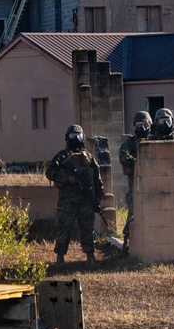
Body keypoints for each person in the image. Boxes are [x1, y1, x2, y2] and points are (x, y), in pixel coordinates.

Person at [45, 124, 104, 265]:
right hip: (67, 201)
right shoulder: (62, 156)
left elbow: (97, 178)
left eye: (78, 136)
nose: (76, 139)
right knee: (64, 229)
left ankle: (90, 256)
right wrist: (67, 179)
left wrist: (98, 198)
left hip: (85, 201)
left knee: (87, 229)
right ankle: (60, 257)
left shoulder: (89, 157)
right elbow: (50, 172)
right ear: (67, 138)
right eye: (73, 137)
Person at [118, 111, 152, 250]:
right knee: (132, 216)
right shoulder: (130, 143)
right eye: (138, 125)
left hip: (154, 188)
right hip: (135, 188)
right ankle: (126, 244)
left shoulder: (155, 141)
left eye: (145, 124)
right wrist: (140, 162)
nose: (142, 128)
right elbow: (124, 157)